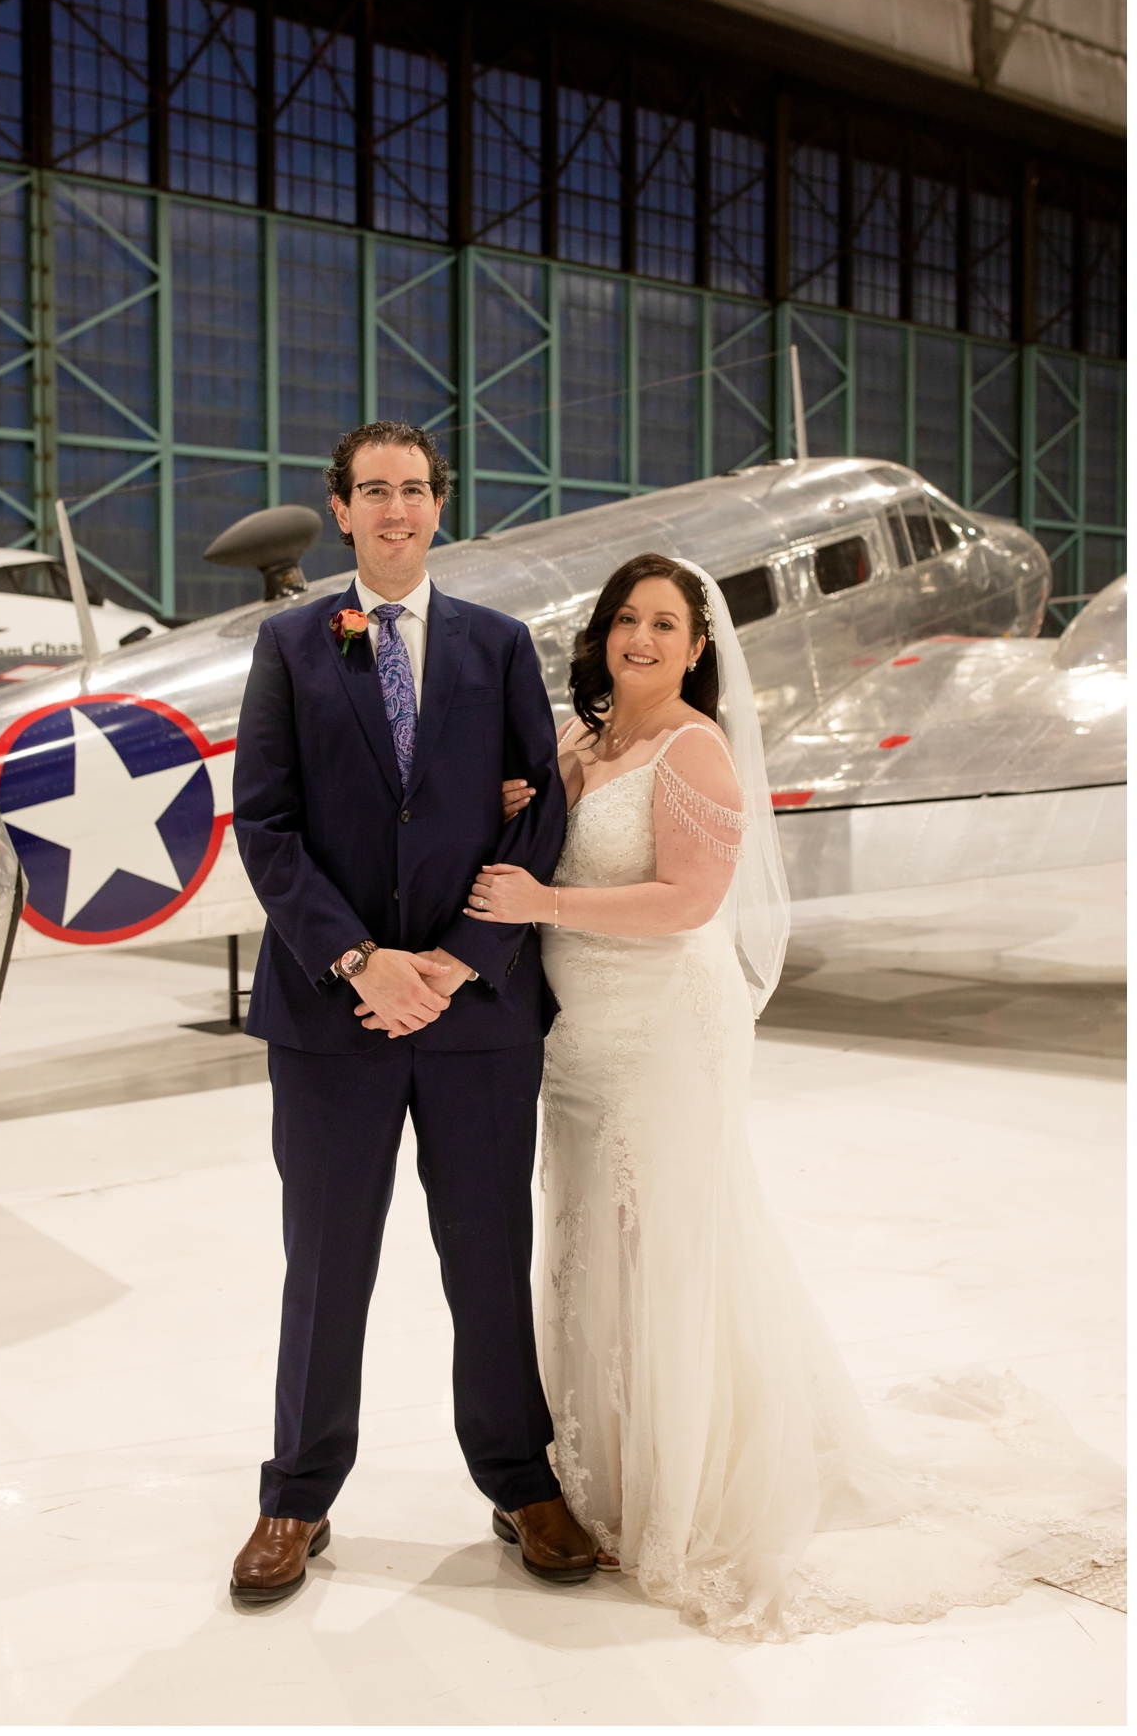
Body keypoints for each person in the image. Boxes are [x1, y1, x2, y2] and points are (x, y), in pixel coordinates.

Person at [474, 554, 1123, 1640]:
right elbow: (547, 832)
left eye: (665, 624)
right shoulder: (582, 743)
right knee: (588, 1245)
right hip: (578, 1042)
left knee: (669, 1247)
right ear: (600, 636)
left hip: (665, 1034)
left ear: (695, 647)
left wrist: (542, 896)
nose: (641, 638)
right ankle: (604, 1476)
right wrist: (522, 805)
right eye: (626, 620)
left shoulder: (697, 747)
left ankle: (684, 1494)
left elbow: (689, 901)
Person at [226, 420, 597, 1609]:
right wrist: (357, 960)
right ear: (340, 510)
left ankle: (519, 1477)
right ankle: (295, 1495)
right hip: (332, 1018)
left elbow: (536, 819)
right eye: (373, 491)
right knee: (325, 1265)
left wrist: (450, 961)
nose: (396, 509)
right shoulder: (291, 642)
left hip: (476, 1012)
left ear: (441, 506)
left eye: (415, 489)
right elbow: (267, 823)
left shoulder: (495, 646)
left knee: (488, 1257)